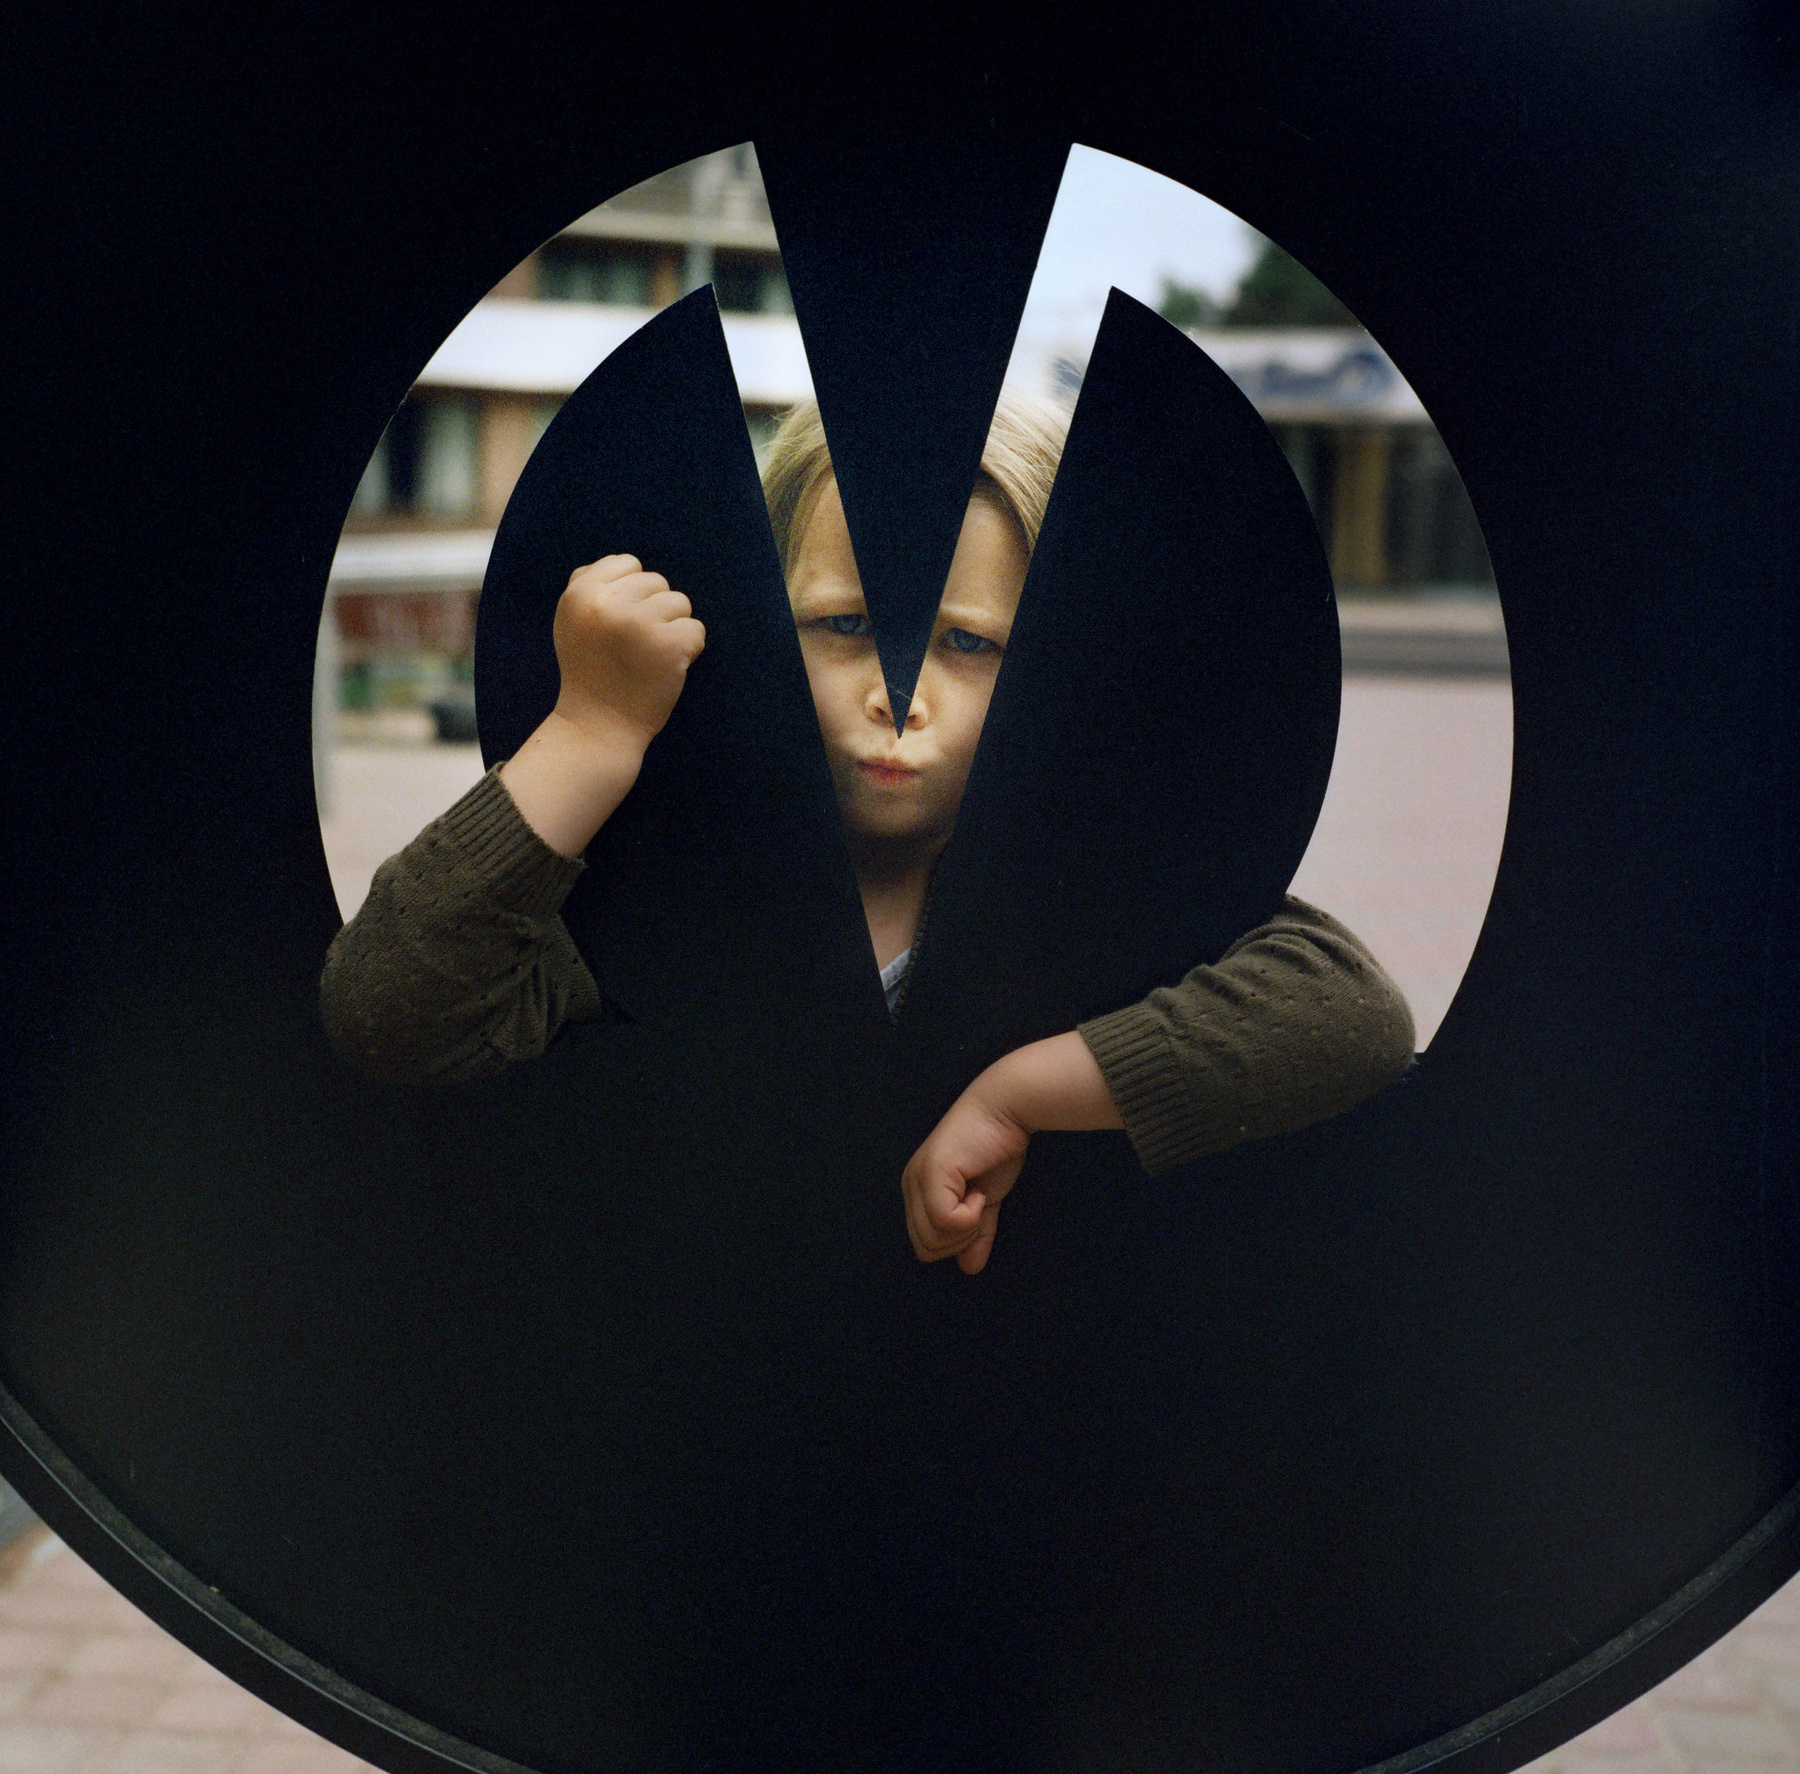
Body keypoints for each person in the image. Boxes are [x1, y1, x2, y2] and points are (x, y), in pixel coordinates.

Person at [321, 393, 1414, 1276]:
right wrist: (593, 730)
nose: (900, 692)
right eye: (844, 625)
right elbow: (386, 1004)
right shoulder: (666, 889)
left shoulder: (1083, 882)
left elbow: (1350, 1012)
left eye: (969, 644)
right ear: (756, 618)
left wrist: (1022, 1092)